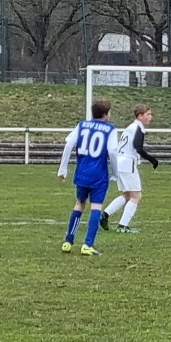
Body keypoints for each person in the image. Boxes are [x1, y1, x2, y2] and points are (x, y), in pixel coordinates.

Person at [57, 100, 119, 256]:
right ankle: (87, 244)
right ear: (105, 114)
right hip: (99, 175)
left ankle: (68, 241)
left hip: (82, 173)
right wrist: (115, 173)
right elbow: (112, 151)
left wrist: (63, 169)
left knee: (79, 204)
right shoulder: (110, 129)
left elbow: (68, 144)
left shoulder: (82, 125)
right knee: (96, 207)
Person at [101, 104, 158, 234]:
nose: (151, 117)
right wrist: (151, 159)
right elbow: (137, 147)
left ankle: (104, 215)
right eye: (148, 114)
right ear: (140, 116)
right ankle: (123, 226)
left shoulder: (130, 127)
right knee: (136, 196)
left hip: (120, 162)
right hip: (128, 163)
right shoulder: (138, 127)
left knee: (126, 195)